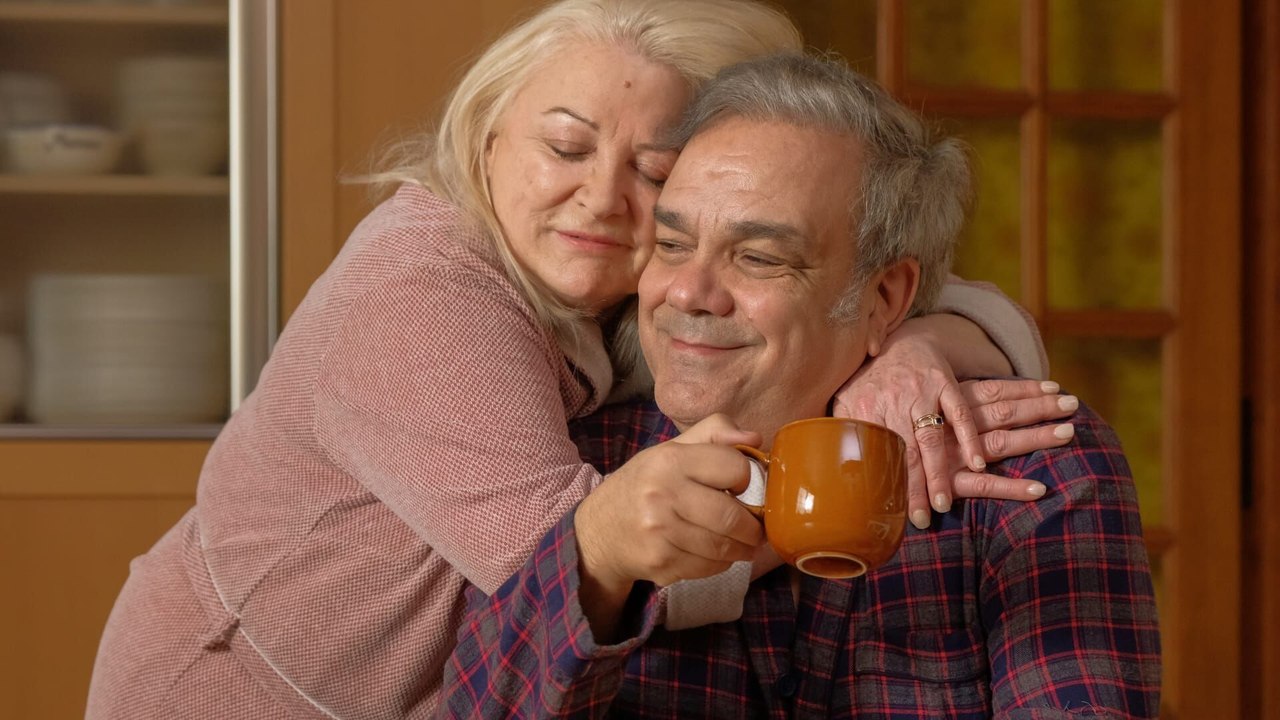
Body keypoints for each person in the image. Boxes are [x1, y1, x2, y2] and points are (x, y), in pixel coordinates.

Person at [86, 2, 1065, 718]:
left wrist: (929, 343)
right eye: (565, 146)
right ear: (485, 135)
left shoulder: (604, 291)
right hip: (232, 693)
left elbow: (872, 287)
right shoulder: (417, 296)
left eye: (651, 173)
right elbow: (586, 572)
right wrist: (854, 449)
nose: (600, 200)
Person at [440, 51, 1161, 718]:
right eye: (671, 244)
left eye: (758, 258)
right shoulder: (570, 460)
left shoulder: (1034, 467)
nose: (688, 293)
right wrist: (594, 562)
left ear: (883, 301)